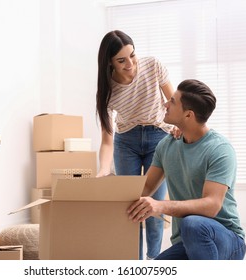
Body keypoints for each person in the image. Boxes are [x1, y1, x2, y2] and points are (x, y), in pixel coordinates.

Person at [127, 79, 246, 260]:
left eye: (173, 101)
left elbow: (212, 206)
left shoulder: (220, 149)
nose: (165, 103)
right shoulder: (166, 145)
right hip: (186, 241)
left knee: (193, 225)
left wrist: (160, 206)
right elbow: (145, 187)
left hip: (226, 240)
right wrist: (110, 189)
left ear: (188, 115)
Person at [95, 30, 176, 260]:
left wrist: (179, 126)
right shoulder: (107, 89)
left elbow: (174, 102)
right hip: (126, 143)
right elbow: (107, 139)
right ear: (109, 62)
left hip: (159, 137)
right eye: (121, 60)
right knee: (130, 208)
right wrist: (103, 169)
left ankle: (154, 261)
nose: (130, 64)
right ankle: (135, 263)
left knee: (153, 206)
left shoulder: (153, 66)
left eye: (132, 55)